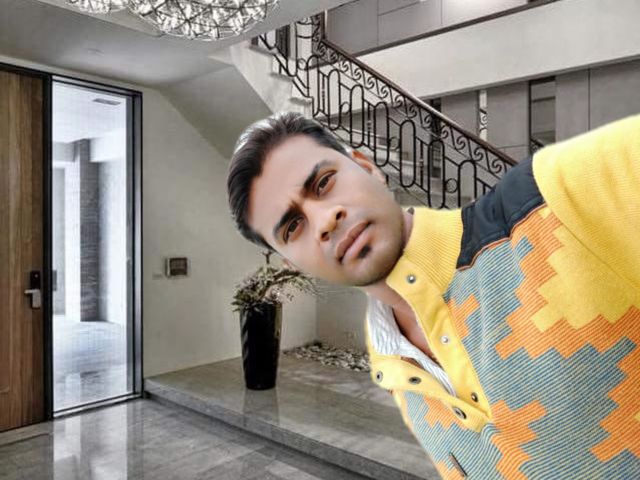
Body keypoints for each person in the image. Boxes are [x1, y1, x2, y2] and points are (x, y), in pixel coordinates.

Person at [226, 111, 640, 479]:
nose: (324, 221)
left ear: (368, 168)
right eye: (292, 227)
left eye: (323, 183)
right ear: (292, 262)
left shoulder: (552, 196)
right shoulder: (391, 362)